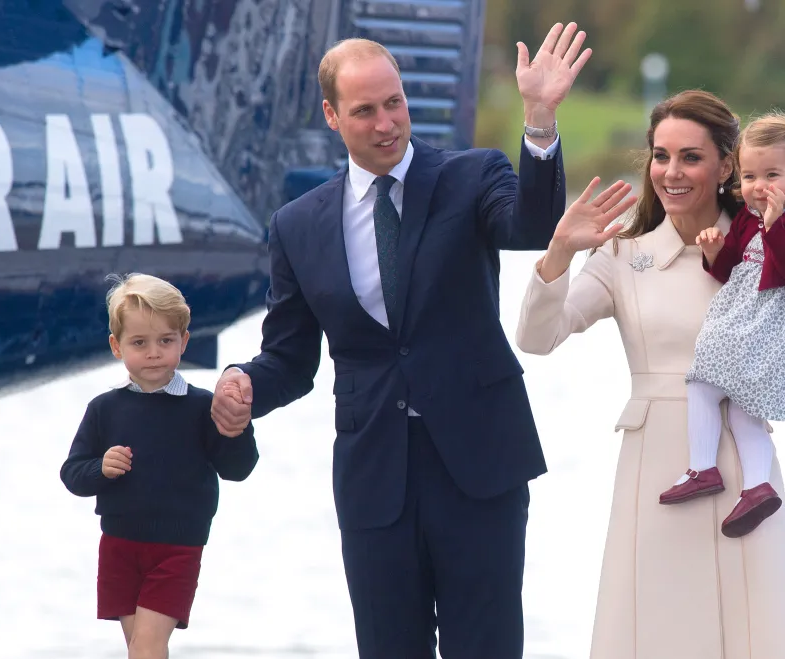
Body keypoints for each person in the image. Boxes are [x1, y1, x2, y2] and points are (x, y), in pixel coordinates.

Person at [209, 23, 589, 658]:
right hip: (374, 478)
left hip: (479, 465)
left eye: (395, 103)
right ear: (332, 116)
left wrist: (541, 121)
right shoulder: (297, 225)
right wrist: (244, 383)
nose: (386, 123)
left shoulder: (473, 176)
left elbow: (532, 225)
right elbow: (290, 359)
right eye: (365, 111)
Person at [515, 90, 785, 657]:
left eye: (690, 157)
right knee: (654, 626)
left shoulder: (768, 245)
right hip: (657, 471)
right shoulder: (623, 256)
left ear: (727, 166)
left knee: (755, 630)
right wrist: (559, 251)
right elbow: (537, 338)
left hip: (746, 472)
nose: (671, 172)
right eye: (661, 155)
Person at [660, 112, 785, 537]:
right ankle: (756, 487)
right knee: (741, 405)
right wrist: (716, 252)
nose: (759, 187)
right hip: (752, 320)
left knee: (702, 378)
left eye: (772, 174)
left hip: (780, 325)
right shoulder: (746, 220)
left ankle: (703, 468)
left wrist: (773, 227)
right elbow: (728, 271)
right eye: (750, 176)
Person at [60, 274, 259, 659]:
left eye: (166, 341)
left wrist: (238, 427)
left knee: (148, 647)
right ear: (116, 347)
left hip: (178, 547)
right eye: (139, 343)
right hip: (119, 546)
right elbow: (73, 473)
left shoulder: (202, 406)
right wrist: (100, 467)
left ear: (184, 342)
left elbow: (237, 468)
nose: (154, 352)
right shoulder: (104, 408)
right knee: (141, 649)